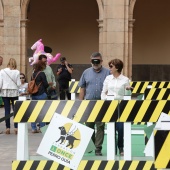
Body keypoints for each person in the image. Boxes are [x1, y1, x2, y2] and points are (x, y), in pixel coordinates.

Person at [78, 52, 110, 156]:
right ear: (90, 61)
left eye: (98, 61)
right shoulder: (86, 72)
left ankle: (98, 148)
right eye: (93, 61)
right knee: (88, 125)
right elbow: (82, 88)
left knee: (100, 126)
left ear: (101, 61)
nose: (95, 63)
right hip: (88, 103)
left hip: (101, 103)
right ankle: (90, 144)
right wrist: (81, 103)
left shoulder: (108, 72)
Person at [101, 58, 131, 156]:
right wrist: (105, 101)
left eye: (111, 66)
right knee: (111, 127)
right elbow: (103, 92)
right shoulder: (108, 78)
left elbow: (128, 94)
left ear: (117, 67)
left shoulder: (125, 79)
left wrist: (128, 90)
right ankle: (112, 148)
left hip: (121, 105)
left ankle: (121, 147)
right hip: (110, 105)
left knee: (121, 128)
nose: (109, 68)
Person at [0, 58, 21, 134]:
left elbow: (0, 83)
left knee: (7, 110)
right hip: (14, 92)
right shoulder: (17, 72)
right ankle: (16, 127)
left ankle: (7, 127)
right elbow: (18, 84)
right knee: (15, 110)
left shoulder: (2, 71)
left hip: (5, 92)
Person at [31, 61, 49, 133]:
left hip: (34, 94)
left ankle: (33, 128)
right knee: (42, 111)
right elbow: (45, 84)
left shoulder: (33, 74)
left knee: (34, 111)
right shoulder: (42, 73)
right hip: (41, 94)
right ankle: (42, 127)